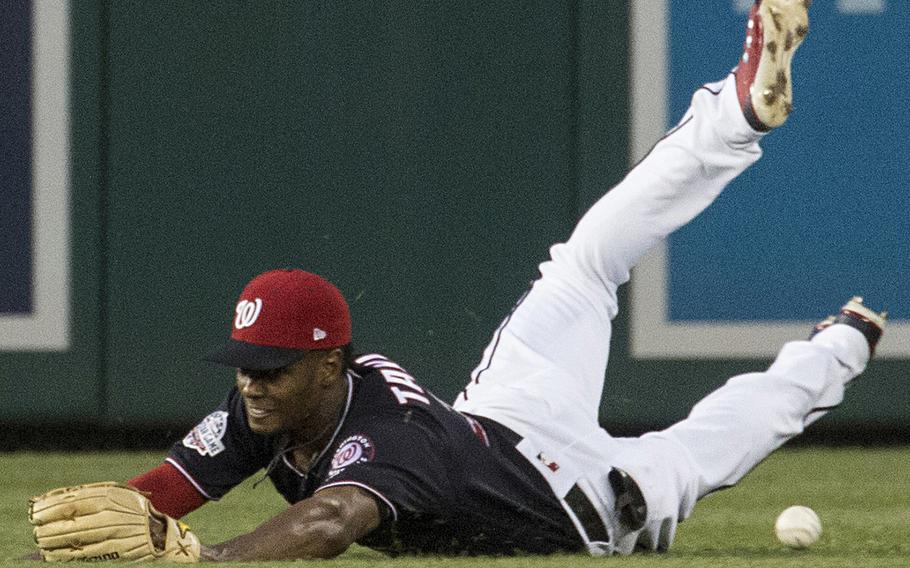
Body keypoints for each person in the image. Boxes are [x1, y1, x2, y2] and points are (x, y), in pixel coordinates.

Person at [28, 0, 887, 561]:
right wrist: (118, 512)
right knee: (585, 262)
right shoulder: (276, 402)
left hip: (590, 505)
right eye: (246, 360)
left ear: (329, 364)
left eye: (271, 364)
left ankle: (842, 345)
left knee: (717, 439)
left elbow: (328, 523)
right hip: (507, 419)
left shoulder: (382, 443)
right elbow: (175, 485)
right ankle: (732, 117)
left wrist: (212, 559)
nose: (250, 380)